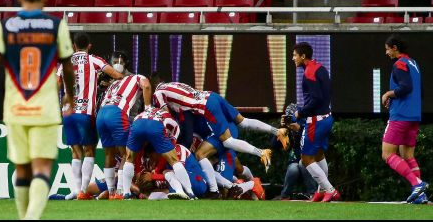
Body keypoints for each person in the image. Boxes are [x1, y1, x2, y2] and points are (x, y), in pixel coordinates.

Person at [0, 0, 75, 220]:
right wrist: (70, 97)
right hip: (45, 108)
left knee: (22, 169)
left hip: (16, 107)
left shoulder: (5, 26)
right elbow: (69, 65)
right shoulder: (56, 25)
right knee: (42, 168)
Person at [153, 81, 286, 199]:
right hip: (211, 96)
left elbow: (167, 116)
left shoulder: (162, 96)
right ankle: (277, 131)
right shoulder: (174, 87)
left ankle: (259, 155)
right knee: (243, 122)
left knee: (206, 153)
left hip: (208, 108)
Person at [58, 33, 124, 200]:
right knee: (89, 150)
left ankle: (75, 189)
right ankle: (82, 190)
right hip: (85, 112)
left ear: (73, 46)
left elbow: (55, 84)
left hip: (68, 112)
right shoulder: (94, 60)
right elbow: (117, 75)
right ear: (89, 46)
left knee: (75, 151)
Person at [380, 35, 429, 204]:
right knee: (407, 155)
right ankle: (421, 195)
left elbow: (406, 87)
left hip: (400, 116)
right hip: (414, 115)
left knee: (387, 154)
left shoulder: (399, 64)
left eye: (387, 49)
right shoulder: (414, 64)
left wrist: (388, 94)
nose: (386, 53)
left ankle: (417, 184)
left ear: (395, 48)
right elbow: (420, 92)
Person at [96, 62, 152, 199]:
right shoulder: (138, 77)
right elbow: (146, 85)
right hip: (117, 113)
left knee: (109, 154)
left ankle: (111, 192)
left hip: (101, 114)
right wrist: (148, 107)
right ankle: (121, 191)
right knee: (127, 154)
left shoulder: (114, 84)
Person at [292, 42, 339, 202]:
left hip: (315, 121)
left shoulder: (309, 72)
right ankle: (321, 191)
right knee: (318, 155)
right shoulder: (321, 68)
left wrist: (300, 112)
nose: (293, 58)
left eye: (295, 55)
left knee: (306, 159)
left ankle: (329, 189)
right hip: (327, 118)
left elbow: (316, 98)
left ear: (303, 56)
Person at [119, 105, 196, 200]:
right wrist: (157, 170)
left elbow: (138, 150)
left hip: (137, 124)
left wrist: (139, 170)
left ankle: (126, 194)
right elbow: (169, 154)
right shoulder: (174, 124)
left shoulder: (140, 114)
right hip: (156, 125)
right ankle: (190, 193)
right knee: (174, 160)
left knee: (129, 159)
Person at [273, 103, 317, 200]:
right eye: (288, 117)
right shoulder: (285, 128)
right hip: (294, 160)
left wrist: (300, 130)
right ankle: (285, 195)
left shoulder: (306, 124)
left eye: (292, 117)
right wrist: (280, 128)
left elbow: (312, 141)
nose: (291, 120)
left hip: (309, 159)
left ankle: (313, 194)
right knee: (293, 168)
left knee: (303, 164)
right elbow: (274, 146)